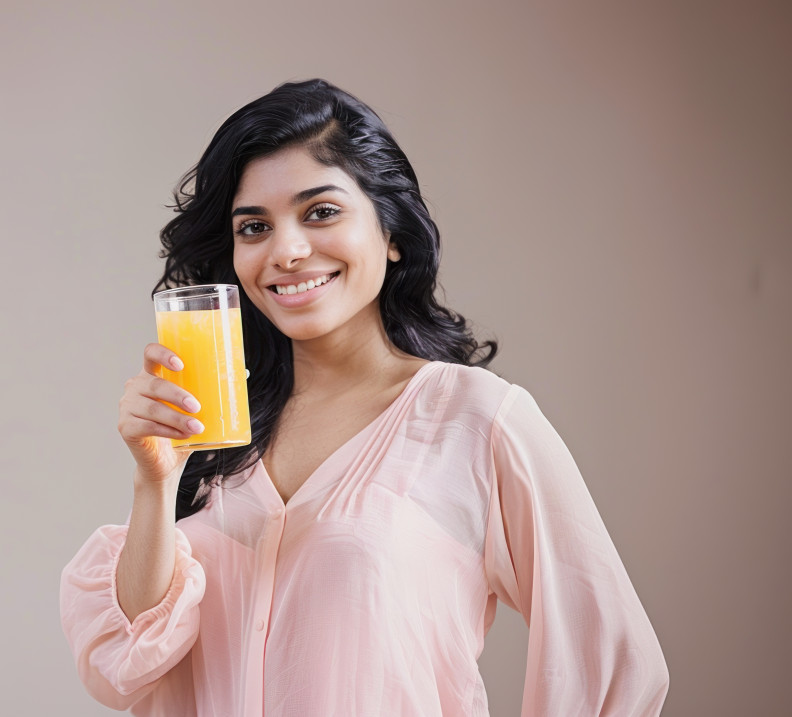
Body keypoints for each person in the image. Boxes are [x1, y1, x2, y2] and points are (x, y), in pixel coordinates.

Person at [59, 78, 669, 715]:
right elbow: (127, 666)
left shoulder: (477, 420)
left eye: (320, 212)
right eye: (254, 227)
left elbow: (611, 667)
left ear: (392, 232)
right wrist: (155, 481)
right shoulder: (216, 428)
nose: (287, 251)